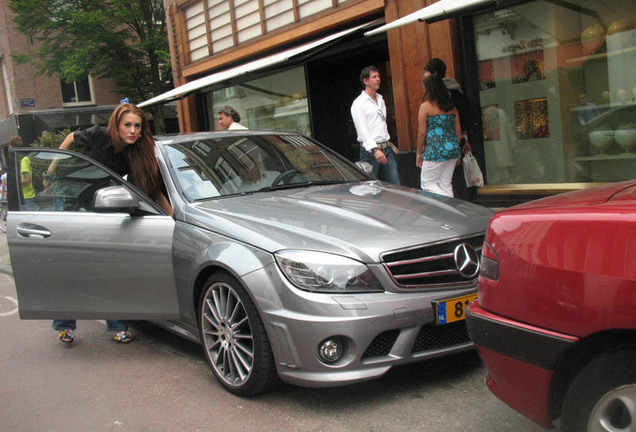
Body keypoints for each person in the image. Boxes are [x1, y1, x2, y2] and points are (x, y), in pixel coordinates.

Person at [46, 103, 173, 344]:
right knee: (68, 263)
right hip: (69, 195)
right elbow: (71, 138)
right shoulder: (99, 135)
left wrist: (172, 218)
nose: (133, 131)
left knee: (109, 265)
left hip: (99, 201)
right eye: (127, 125)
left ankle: (117, 324)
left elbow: (152, 192)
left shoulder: (138, 152)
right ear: (116, 125)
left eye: (137, 126)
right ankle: (64, 324)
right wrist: (52, 170)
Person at [425, 58, 475, 199]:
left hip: (440, 146)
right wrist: (464, 139)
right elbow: (463, 118)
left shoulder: (440, 95)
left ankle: (455, 204)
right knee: (449, 181)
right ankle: (460, 204)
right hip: (455, 142)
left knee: (435, 182)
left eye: (427, 72)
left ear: (434, 73)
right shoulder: (456, 89)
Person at [350, 65, 400, 185]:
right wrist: (375, 149)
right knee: (371, 187)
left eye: (378, 76)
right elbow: (362, 129)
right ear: (365, 81)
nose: (378, 79)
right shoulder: (359, 103)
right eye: (374, 77)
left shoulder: (381, 99)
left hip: (386, 149)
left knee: (395, 185)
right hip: (370, 151)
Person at [416, 75, 462, 197]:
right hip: (452, 148)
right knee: (445, 183)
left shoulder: (425, 106)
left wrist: (419, 152)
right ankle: (449, 212)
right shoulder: (452, 107)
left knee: (427, 184)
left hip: (434, 150)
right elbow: (458, 130)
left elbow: (421, 133)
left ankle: (448, 207)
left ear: (428, 89)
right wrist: (455, 149)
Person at [8, 136, 38, 210]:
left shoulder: (23, 160)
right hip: (24, 195)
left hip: (26, 195)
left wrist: (17, 185)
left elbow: (27, 179)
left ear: (11, 146)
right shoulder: (19, 159)